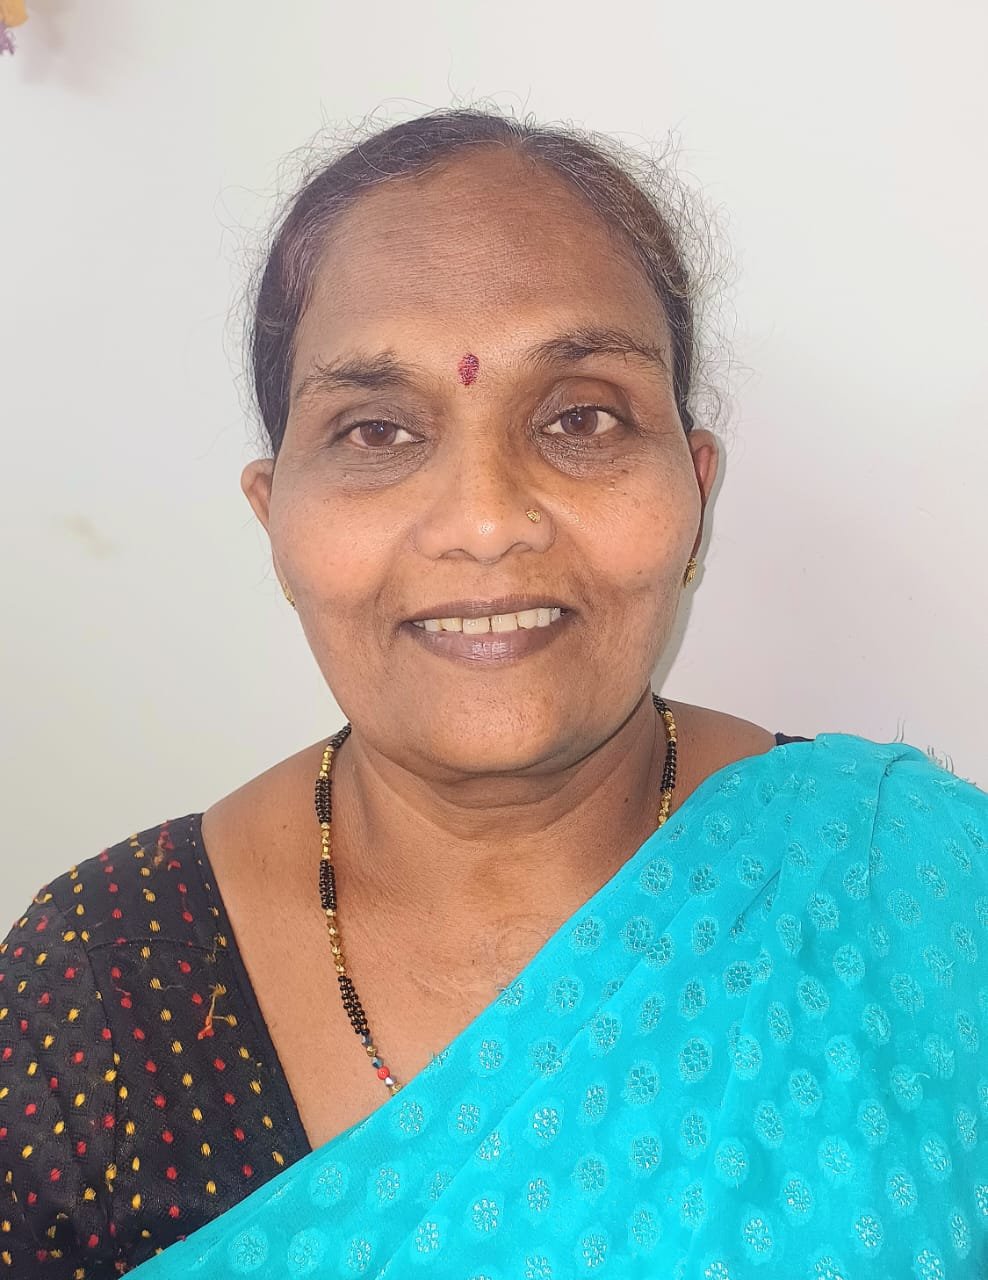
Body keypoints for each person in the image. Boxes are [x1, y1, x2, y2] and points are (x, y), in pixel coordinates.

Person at [1, 108, 985, 1279]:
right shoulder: (97, 987)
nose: (483, 521)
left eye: (581, 417)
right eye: (376, 429)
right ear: (275, 518)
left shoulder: (905, 886)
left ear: (694, 495)